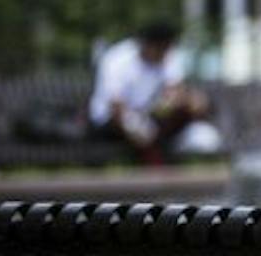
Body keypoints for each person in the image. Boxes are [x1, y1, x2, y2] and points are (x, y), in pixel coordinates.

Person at [88, 21, 219, 163]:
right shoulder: (117, 58)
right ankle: (157, 169)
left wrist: (187, 101)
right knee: (140, 130)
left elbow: (175, 90)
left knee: (187, 113)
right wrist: (138, 124)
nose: (164, 55)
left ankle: (166, 166)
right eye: (161, 49)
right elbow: (116, 106)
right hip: (110, 122)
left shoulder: (168, 56)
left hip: (150, 118)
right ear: (148, 45)